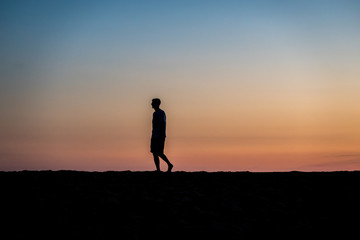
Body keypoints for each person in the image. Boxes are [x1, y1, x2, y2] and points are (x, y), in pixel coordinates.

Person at [150, 98, 173, 172]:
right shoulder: (155, 113)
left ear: (156, 104)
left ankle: (169, 164)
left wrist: (161, 135)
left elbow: (162, 124)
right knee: (154, 152)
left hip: (160, 136)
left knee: (159, 152)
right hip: (154, 135)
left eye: (153, 103)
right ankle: (158, 169)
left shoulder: (161, 113)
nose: (151, 104)